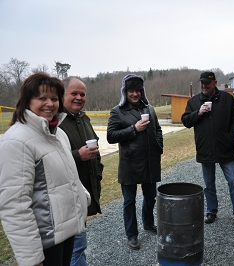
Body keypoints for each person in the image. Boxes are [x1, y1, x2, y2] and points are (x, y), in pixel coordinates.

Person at [0, 73, 89, 266]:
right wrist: (32, 258)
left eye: (54, 98)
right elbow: (14, 205)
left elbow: (67, 178)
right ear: (27, 101)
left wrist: (83, 198)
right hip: (45, 241)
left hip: (66, 232)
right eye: (42, 98)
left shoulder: (58, 134)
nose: (50, 103)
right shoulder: (16, 141)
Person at [181, 71, 234, 226]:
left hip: (225, 149)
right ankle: (211, 211)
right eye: (202, 83)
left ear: (215, 83)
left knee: (233, 181)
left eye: (207, 83)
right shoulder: (194, 101)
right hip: (205, 149)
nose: (204, 85)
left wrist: (231, 139)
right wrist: (198, 113)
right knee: (208, 185)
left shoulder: (227, 99)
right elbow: (185, 121)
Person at [107, 74, 163, 250]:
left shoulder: (150, 109)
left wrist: (158, 147)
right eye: (131, 90)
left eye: (138, 90)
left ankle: (148, 223)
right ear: (125, 91)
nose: (135, 94)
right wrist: (133, 129)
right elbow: (111, 136)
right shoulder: (117, 111)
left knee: (150, 197)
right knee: (129, 202)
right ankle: (132, 235)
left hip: (150, 162)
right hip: (129, 164)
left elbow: (158, 130)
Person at [59, 76, 103, 266]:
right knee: (76, 248)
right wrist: (78, 155)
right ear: (63, 95)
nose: (79, 97)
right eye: (74, 93)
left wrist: (98, 173)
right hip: (66, 198)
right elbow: (50, 161)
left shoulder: (83, 119)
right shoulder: (56, 122)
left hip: (83, 193)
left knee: (78, 245)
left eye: (82, 94)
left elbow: (96, 149)